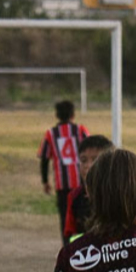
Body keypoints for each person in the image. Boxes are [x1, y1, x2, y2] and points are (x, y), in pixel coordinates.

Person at [39, 100, 90, 243]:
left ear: (57, 115)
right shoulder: (80, 131)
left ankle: (68, 248)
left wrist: (45, 181)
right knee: (84, 216)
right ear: (73, 115)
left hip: (62, 185)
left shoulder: (50, 134)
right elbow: (93, 149)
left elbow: (44, 158)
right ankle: (87, 246)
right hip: (81, 183)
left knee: (66, 218)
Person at [62, 135, 113, 241]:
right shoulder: (74, 197)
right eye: (84, 160)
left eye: (95, 160)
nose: (88, 165)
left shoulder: (120, 194)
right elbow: (70, 235)